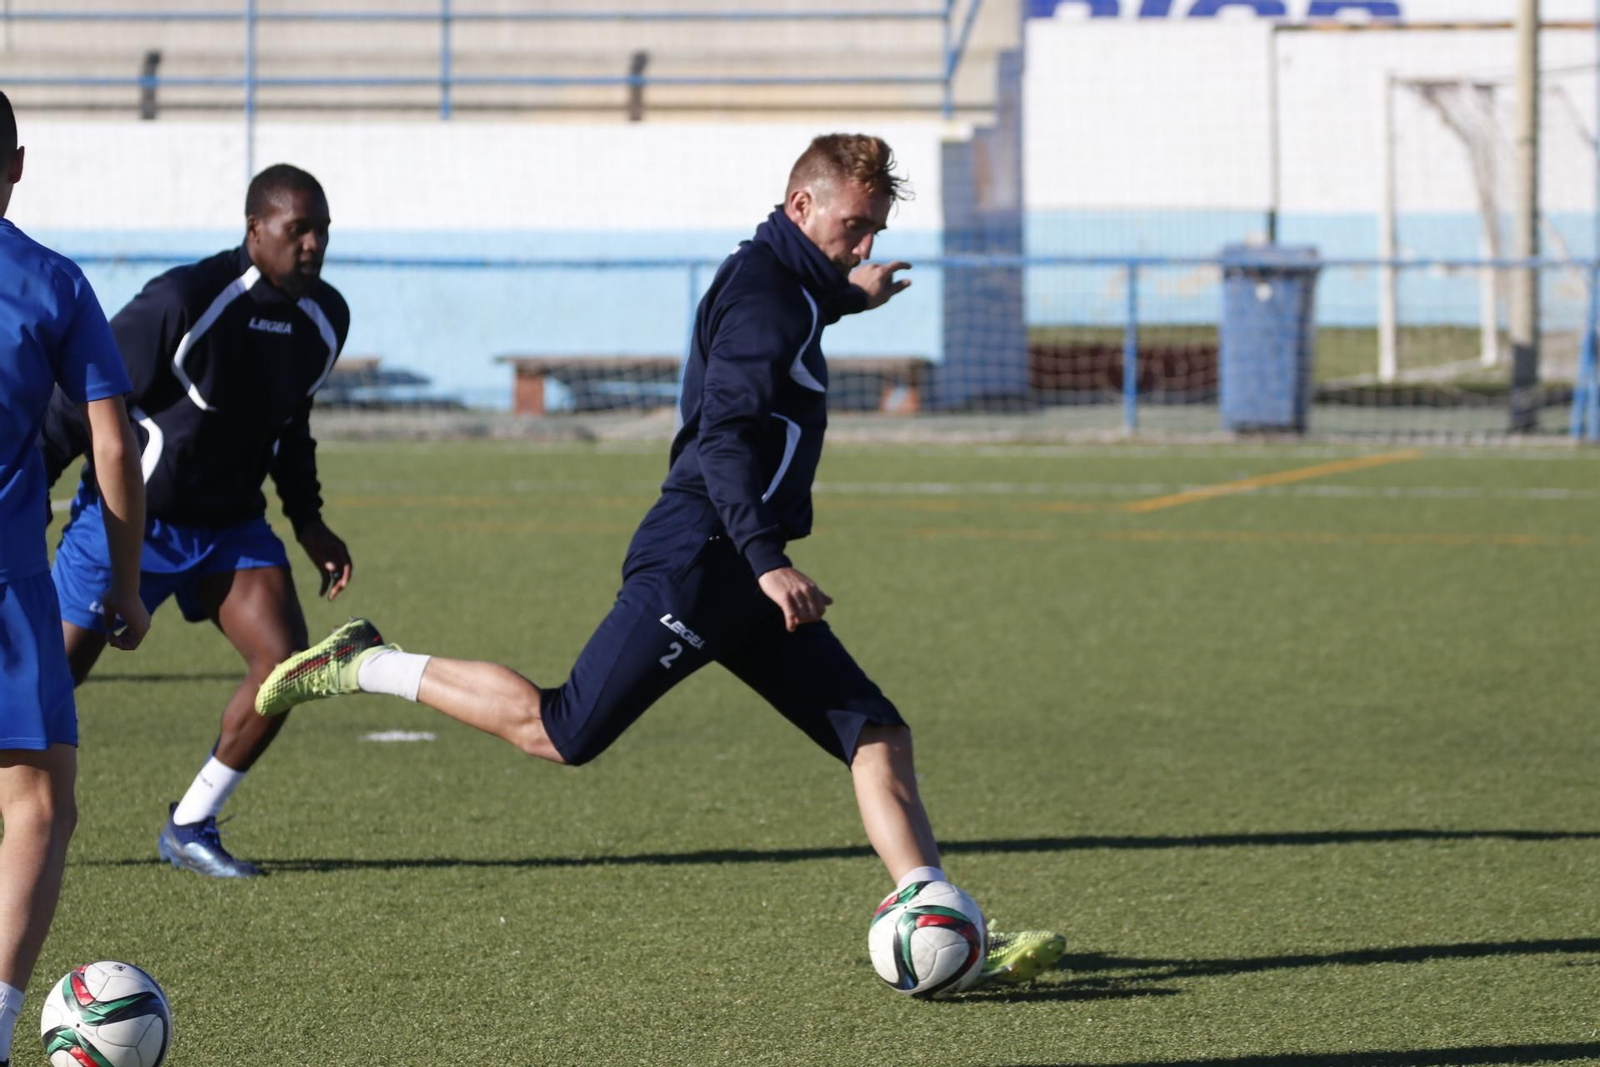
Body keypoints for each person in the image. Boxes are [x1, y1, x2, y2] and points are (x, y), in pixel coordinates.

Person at [257, 134, 1065, 988]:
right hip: (704, 557)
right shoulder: (767, 295)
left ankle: (938, 917)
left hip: (743, 566)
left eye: (874, 230)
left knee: (876, 732)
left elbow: (788, 321)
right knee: (561, 730)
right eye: (854, 227)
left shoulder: (786, 281)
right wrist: (764, 558)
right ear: (803, 208)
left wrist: (846, 299)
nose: (863, 245)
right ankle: (365, 662)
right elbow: (724, 439)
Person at [40, 163, 352, 879]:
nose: (313, 245)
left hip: (231, 527)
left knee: (286, 666)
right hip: (130, 521)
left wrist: (308, 522)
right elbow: (78, 402)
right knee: (45, 687)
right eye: (297, 229)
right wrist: (30, 498)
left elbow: (290, 424)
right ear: (254, 230)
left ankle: (191, 822)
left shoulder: (326, 318)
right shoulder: (184, 300)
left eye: (322, 231)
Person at [0, 89, 151, 1067]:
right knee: (38, 804)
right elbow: (114, 445)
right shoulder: (48, 282)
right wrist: (124, 583)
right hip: (8, 589)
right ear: (16, 164)